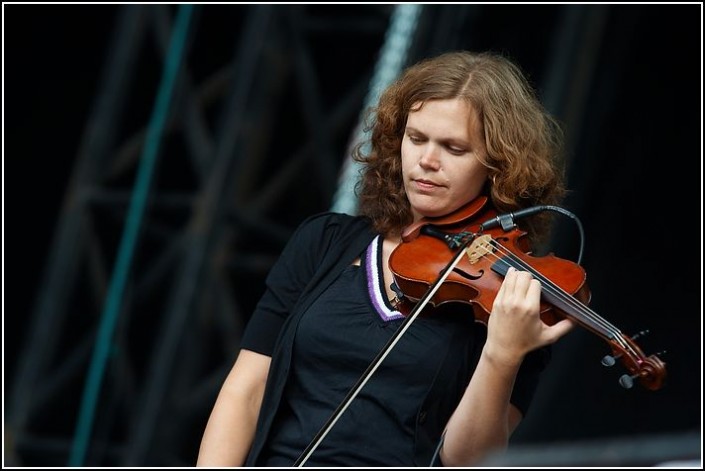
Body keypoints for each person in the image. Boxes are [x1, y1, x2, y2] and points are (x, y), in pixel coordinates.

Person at [196, 50, 576, 467]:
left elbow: (466, 460)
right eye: (416, 139)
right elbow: (247, 388)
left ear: (498, 166)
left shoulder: (516, 299)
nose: (427, 161)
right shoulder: (324, 241)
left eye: (453, 148)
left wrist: (502, 354)